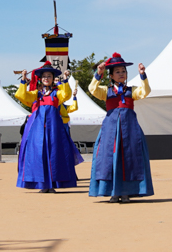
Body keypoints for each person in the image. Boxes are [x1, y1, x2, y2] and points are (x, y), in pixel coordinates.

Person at [88, 53, 154, 202]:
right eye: (117, 72)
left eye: (123, 71)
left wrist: (143, 75)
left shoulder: (131, 90)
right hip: (110, 130)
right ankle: (113, 191)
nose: (121, 74)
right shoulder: (105, 91)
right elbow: (92, 89)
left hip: (129, 130)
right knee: (109, 159)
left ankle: (126, 192)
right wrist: (98, 74)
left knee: (129, 159)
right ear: (111, 75)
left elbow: (145, 92)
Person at [14, 61, 80, 192]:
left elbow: (66, 94)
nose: (46, 78)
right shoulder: (36, 94)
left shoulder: (56, 94)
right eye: (44, 76)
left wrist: (65, 80)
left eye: (49, 76)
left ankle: (53, 184)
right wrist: (23, 80)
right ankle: (42, 184)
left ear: (53, 78)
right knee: (39, 155)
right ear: (40, 79)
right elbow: (21, 95)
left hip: (54, 130)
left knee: (54, 155)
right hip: (38, 131)